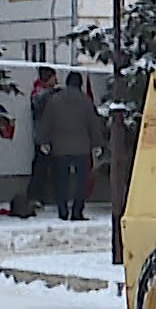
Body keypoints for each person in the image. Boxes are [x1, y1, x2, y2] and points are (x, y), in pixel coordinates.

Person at [36, 71, 104, 222]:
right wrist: (97, 143)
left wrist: (43, 141)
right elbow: (93, 124)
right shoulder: (85, 101)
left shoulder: (55, 100)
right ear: (80, 84)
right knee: (81, 181)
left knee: (62, 180)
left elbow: (46, 121)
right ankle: (77, 212)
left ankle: (63, 211)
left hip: (60, 146)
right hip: (82, 147)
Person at [26, 66, 59, 207]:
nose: (56, 80)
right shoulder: (40, 94)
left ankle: (44, 196)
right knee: (41, 167)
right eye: (54, 77)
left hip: (49, 136)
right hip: (43, 137)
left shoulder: (43, 93)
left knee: (49, 167)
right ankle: (35, 196)